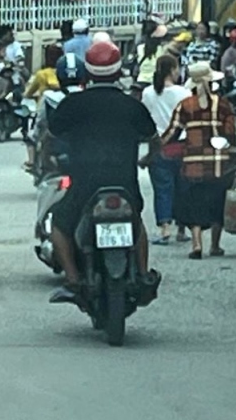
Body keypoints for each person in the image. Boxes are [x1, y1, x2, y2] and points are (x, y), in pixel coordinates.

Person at [46, 42, 162, 304]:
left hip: (85, 186)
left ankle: (74, 280)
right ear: (119, 72)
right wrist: (149, 158)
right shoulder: (132, 106)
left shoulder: (72, 104)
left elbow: (49, 138)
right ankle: (143, 274)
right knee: (137, 223)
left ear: (87, 72)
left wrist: (50, 161)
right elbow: (155, 139)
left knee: (58, 225)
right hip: (124, 184)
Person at [160, 61, 236, 260]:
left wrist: (156, 148)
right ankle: (215, 245)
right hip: (219, 164)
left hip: (192, 164)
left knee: (195, 204)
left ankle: (196, 244)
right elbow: (230, 134)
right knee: (217, 202)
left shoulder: (185, 105)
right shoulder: (223, 104)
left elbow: (172, 133)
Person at [140, 54, 188, 245]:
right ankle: (182, 229)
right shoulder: (183, 93)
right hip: (181, 146)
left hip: (158, 147)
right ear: (172, 70)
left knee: (162, 189)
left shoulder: (148, 93)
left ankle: (165, 228)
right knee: (182, 188)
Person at [22, 44, 63, 170]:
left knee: (31, 135)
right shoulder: (63, 73)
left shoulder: (41, 74)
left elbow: (29, 92)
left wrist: (27, 95)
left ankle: (31, 161)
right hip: (63, 108)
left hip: (44, 108)